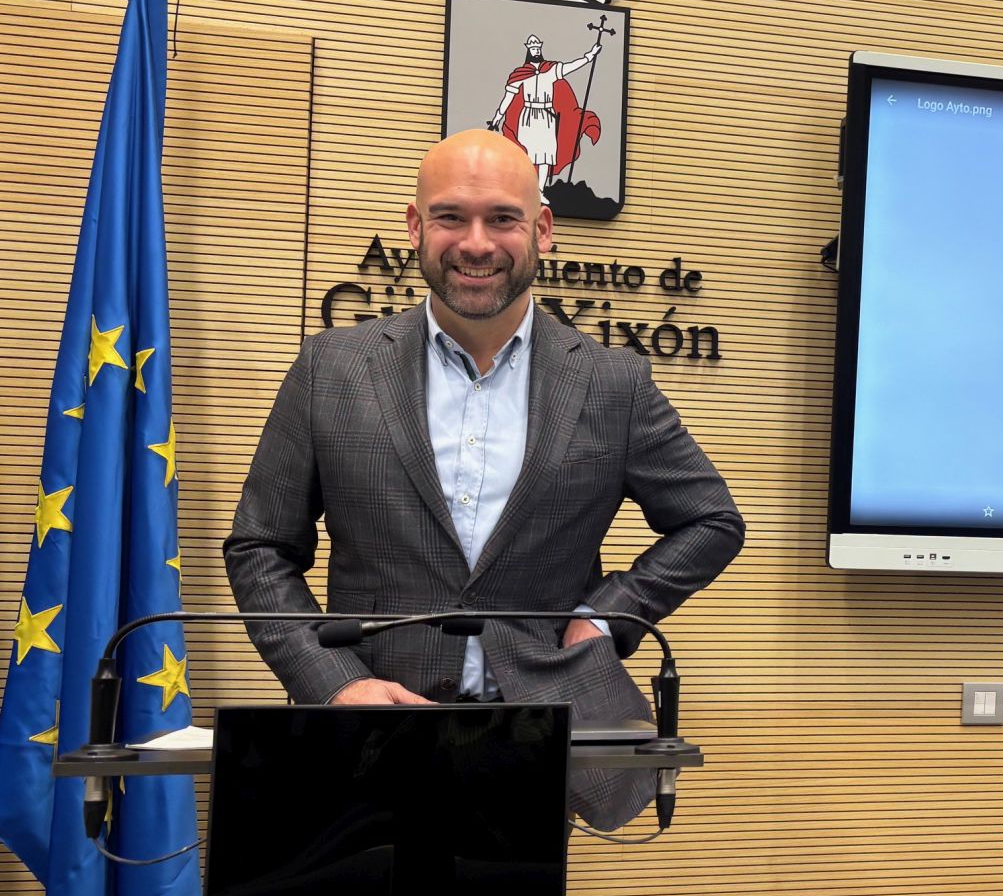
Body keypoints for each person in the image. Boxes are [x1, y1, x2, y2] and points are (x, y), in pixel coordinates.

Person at [223, 129, 744, 827]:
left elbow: (711, 521)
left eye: (502, 218)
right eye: (450, 217)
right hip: (365, 735)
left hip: (536, 737)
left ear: (543, 230)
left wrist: (606, 616)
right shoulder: (330, 371)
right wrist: (334, 684)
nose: (475, 243)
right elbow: (261, 549)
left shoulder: (612, 383)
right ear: (416, 226)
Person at [487, 32, 602, 189]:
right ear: (528, 50)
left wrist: (589, 56)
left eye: (537, 48)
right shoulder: (520, 75)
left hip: (546, 116)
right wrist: (497, 118)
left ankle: (540, 191)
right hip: (528, 115)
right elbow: (508, 98)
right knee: (527, 154)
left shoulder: (550, 70)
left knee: (546, 155)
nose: (535, 51)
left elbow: (571, 66)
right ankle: (526, 188)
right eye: (532, 48)